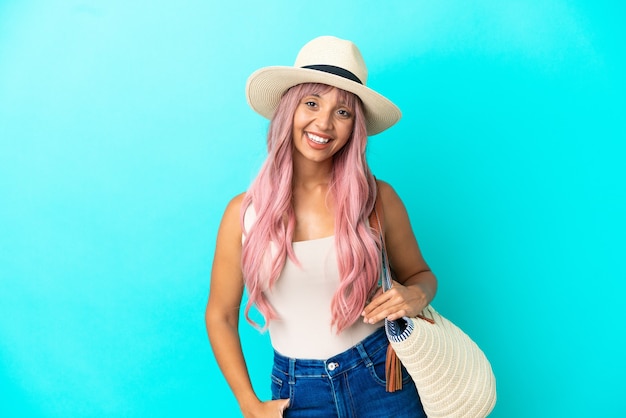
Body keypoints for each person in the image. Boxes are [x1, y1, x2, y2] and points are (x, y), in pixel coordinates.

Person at [205, 36, 438, 418]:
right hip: (299, 391)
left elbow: (421, 275)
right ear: (289, 109)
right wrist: (248, 404)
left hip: (384, 377)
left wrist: (416, 296)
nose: (324, 123)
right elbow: (220, 314)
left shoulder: (378, 199)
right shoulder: (243, 214)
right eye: (311, 103)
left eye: (343, 112)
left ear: (355, 127)